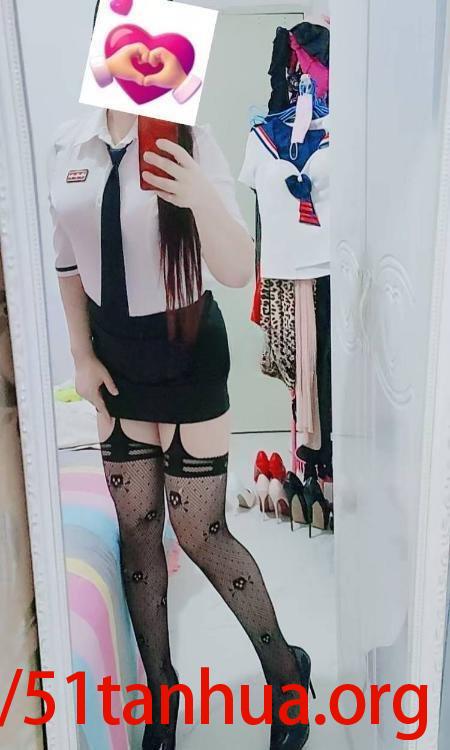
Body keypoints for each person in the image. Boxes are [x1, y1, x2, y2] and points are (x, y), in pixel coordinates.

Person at [48, 93, 313, 750]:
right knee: (138, 532)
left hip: (188, 349)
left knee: (200, 531)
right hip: (115, 359)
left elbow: (237, 268)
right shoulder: (70, 146)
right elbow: (69, 261)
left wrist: (196, 191)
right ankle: (161, 695)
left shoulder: (191, 139)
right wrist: (81, 358)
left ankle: (287, 671)